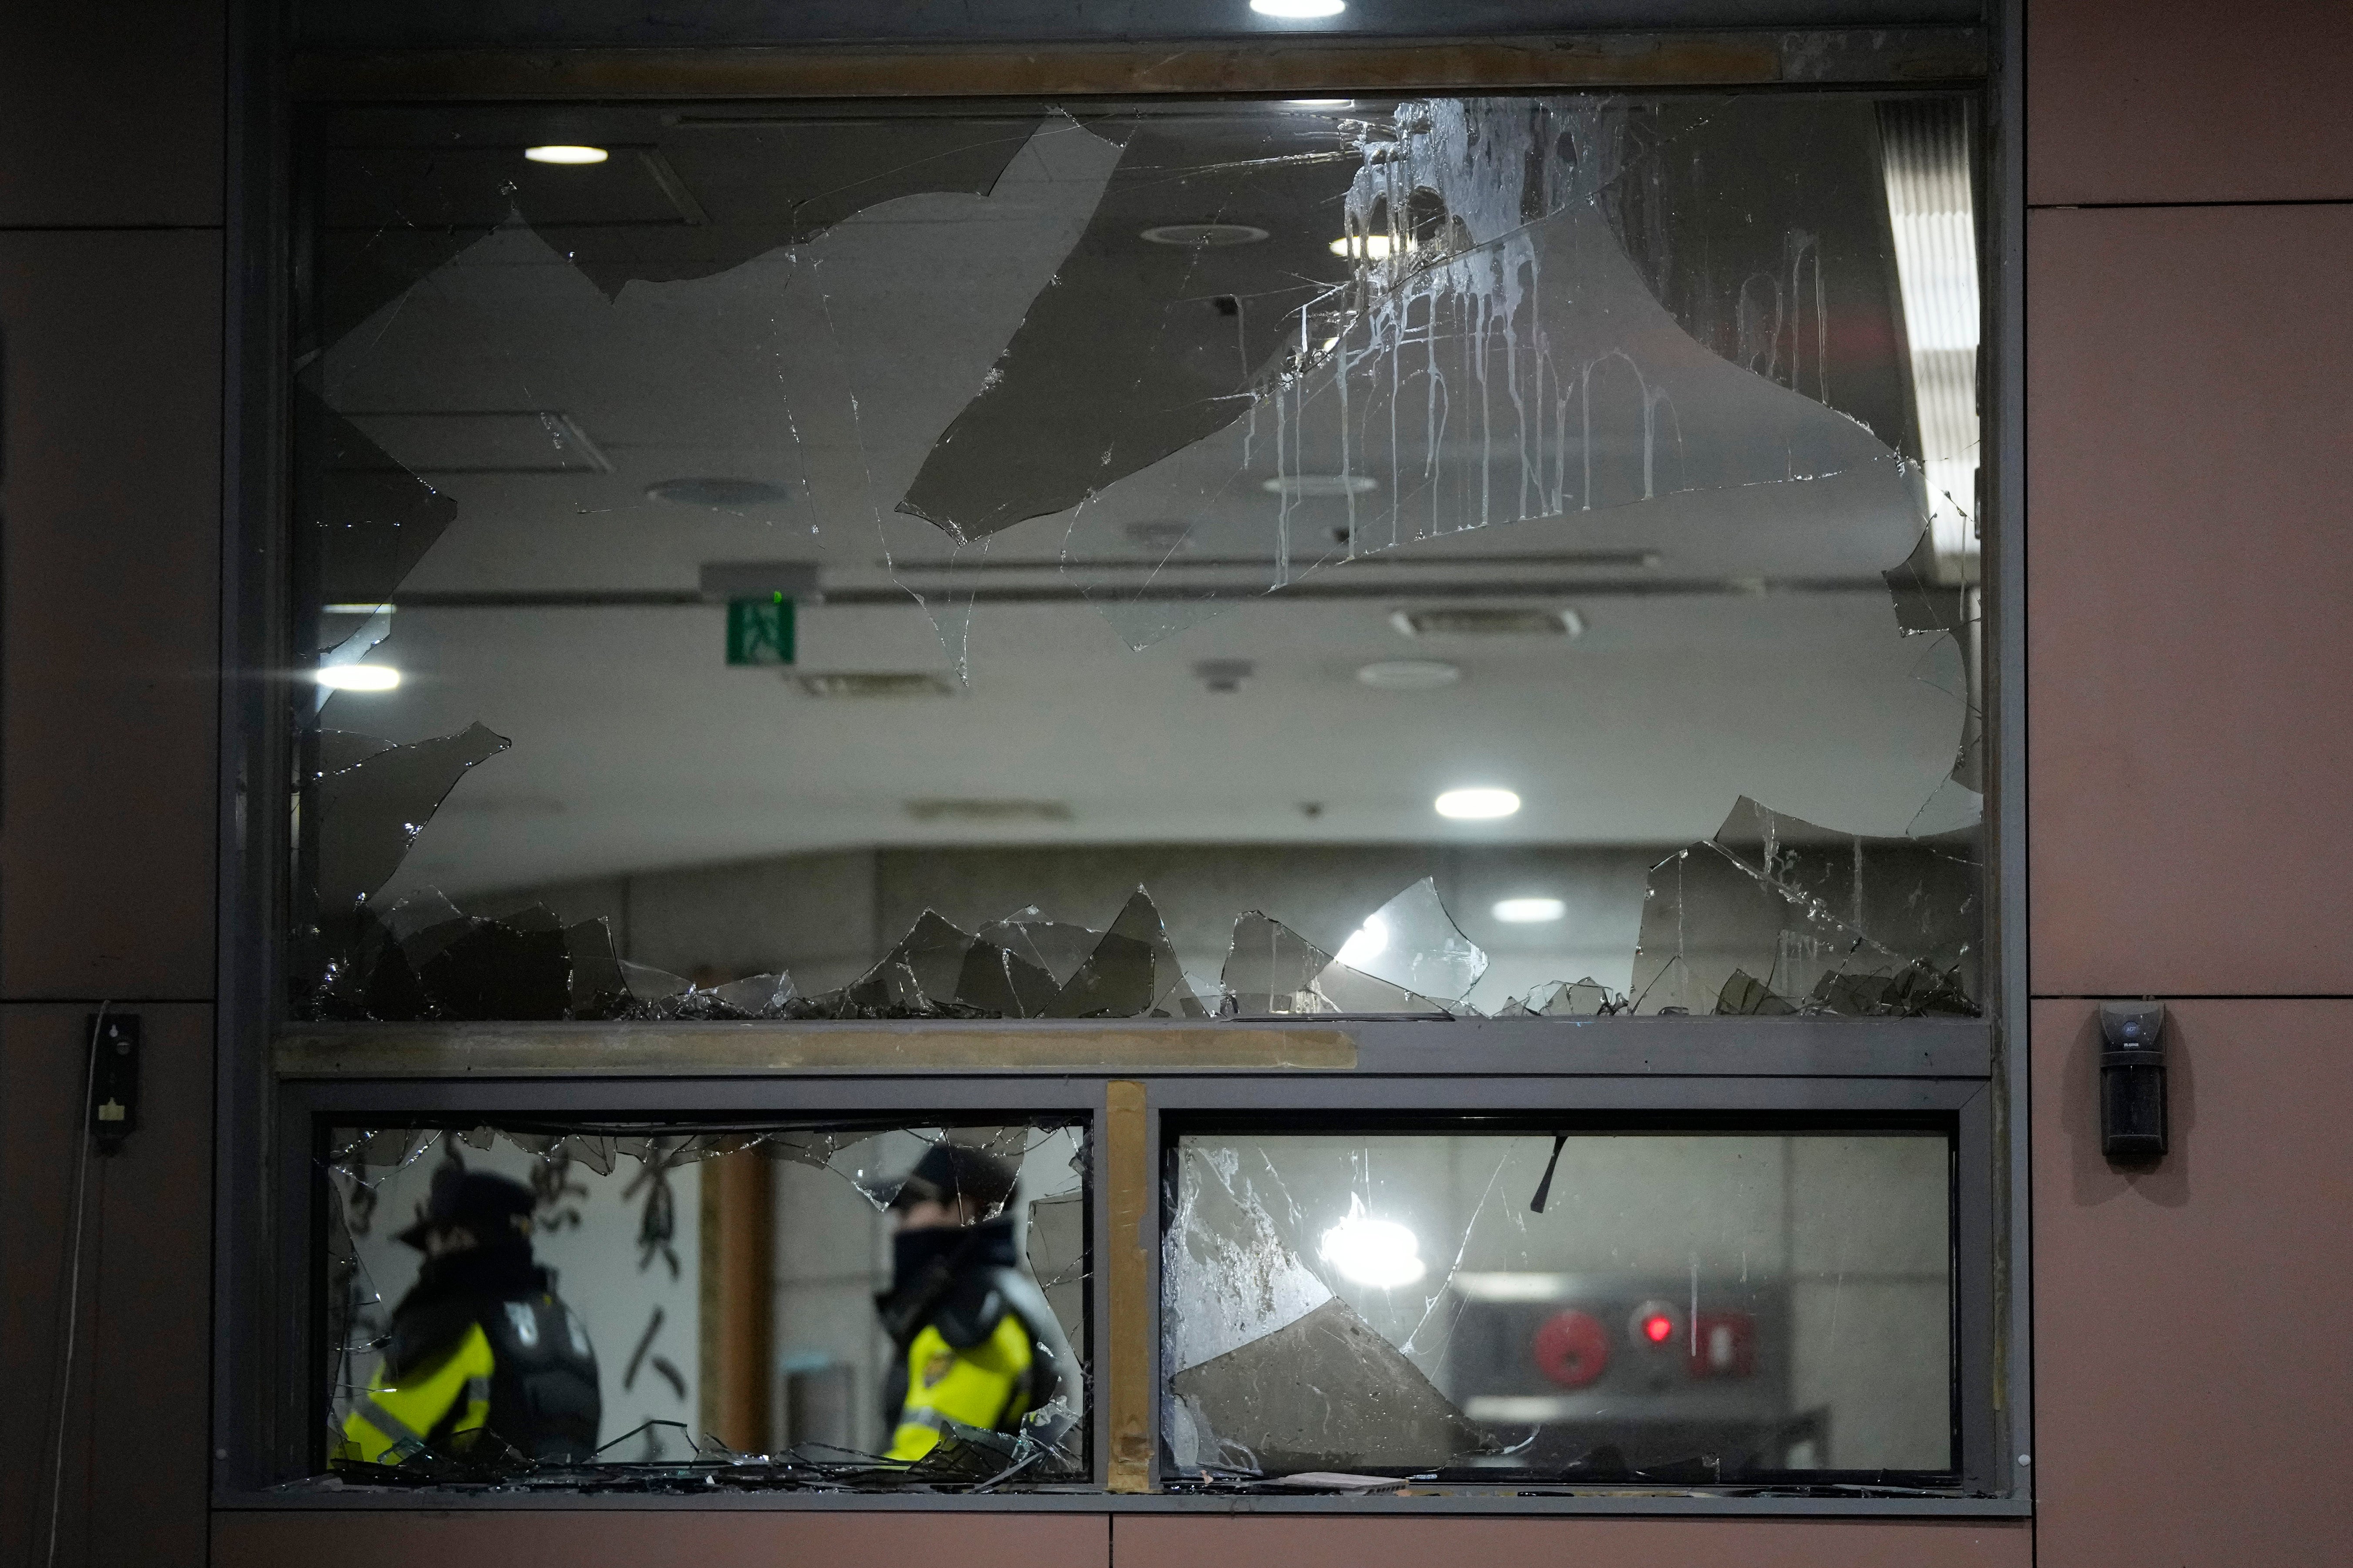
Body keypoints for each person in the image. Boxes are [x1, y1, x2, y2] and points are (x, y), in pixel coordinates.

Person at [338, 1167, 601, 1466]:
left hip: (465, 1513)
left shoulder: (454, 1323)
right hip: (565, 1511)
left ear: (458, 1238)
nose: (427, 1261)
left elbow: (363, 1455)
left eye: (433, 1242)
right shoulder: (562, 1321)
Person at [874, 1143, 1074, 1462]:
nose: (899, 1225)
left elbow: (925, 1466)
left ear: (962, 1208)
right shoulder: (999, 1294)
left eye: (909, 1207)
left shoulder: (973, 1313)